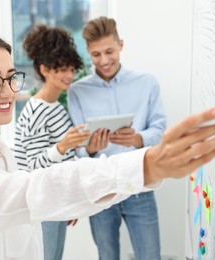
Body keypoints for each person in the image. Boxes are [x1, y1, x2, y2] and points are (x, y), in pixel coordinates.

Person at [0, 29, 215, 260]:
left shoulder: (0, 150)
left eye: (11, 78)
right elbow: (34, 188)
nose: (8, 91)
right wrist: (146, 165)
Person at [67, 16, 165, 259]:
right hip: (100, 189)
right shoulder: (77, 91)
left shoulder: (146, 83)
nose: (104, 60)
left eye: (109, 51)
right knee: (107, 256)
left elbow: (160, 131)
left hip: (139, 184)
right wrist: (90, 149)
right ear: (88, 52)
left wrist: (137, 139)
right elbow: (78, 148)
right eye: (96, 55)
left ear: (121, 44)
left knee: (150, 255)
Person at [13, 24, 87, 260]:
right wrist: (63, 145)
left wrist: (70, 201)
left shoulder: (56, 106)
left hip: (55, 202)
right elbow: (34, 165)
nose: (69, 75)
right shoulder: (37, 110)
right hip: (41, 204)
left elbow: (63, 160)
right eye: (61, 69)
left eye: (71, 68)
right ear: (44, 69)